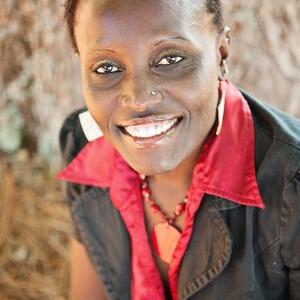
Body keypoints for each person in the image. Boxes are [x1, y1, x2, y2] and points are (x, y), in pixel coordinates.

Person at [57, 0, 300, 299]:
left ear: (221, 52)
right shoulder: (85, 148)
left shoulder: (292, 187)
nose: (139, 99)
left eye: (170, 59)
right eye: (106, 67)